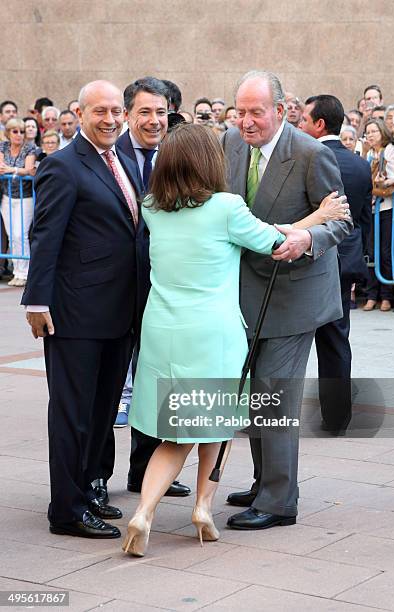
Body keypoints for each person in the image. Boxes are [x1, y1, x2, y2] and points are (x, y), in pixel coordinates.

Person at [122, 123, 349, 557]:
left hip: (163, 330)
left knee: (174, 433)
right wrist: (318, 217)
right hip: (213, 333)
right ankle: (203, 509)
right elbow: (272, 239)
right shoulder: (226, 207)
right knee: (216, 423)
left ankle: (144, 511)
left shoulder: (151, 205)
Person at [222, 71, 352, 531]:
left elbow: (340, 220)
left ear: (282, 109)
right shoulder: (231, 144)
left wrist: (306, 237)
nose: (247, 121)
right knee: (257, 391)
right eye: (240, 111)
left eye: (256, 112)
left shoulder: (311, 153)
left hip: (297, 294)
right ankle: (265, 482)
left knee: (273, 393)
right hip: (248, 292)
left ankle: (279, 503)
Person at [22, 80, 142, 539]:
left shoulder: (123, 160)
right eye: (101, 112)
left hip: (119, 312)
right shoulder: (62, 166)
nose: (111, 119)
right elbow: (45, 236)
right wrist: (37, 300)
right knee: (72, 414)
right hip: (75, 315)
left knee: (102, 411)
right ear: (80, 112)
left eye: (116, 111)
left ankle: (89, 492)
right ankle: (67, 510)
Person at [93, 77, 190, 502]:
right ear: (128, 114)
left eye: (162, 112)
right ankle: (97, 476)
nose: (154, 121)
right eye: (145, 112)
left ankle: (147, 471)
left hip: (164, 291)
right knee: (110, 384)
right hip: (114, 291)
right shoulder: (110, 159)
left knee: (158, 382)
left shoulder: (178, 156)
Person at [300, 95, 372, 434]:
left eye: (303, 119)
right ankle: (338, 417)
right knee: (336, 340)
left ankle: (268, 415)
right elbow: (361, 219)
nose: (299, 125)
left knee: (285, 345)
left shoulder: (303, 157)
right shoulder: (359, 165)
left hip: (303, 261)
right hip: (344, 263)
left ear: (318, 124)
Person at [363, 119, 394, 311]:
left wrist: (385, 181)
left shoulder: (392, 150)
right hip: (370, 208)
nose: (370, 135)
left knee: (385, 252)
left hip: (387, 207)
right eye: (368, 132)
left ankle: (387, 295)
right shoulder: (367, 153)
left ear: (382, 132)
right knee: (371, 252)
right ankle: (371, 295)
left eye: (374, 131)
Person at [0, 118, 36, 287]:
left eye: (22, 131)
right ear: (8, 133)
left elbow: (29, 170)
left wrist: (11, 170)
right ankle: (17, 271)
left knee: (20, 234)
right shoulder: (3, 147)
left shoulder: (29, 148)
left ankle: (25, 272)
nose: (19, 135)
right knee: (12, 235)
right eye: (15, 131)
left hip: (25, 198)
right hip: (7, 197)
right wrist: (11, 170)